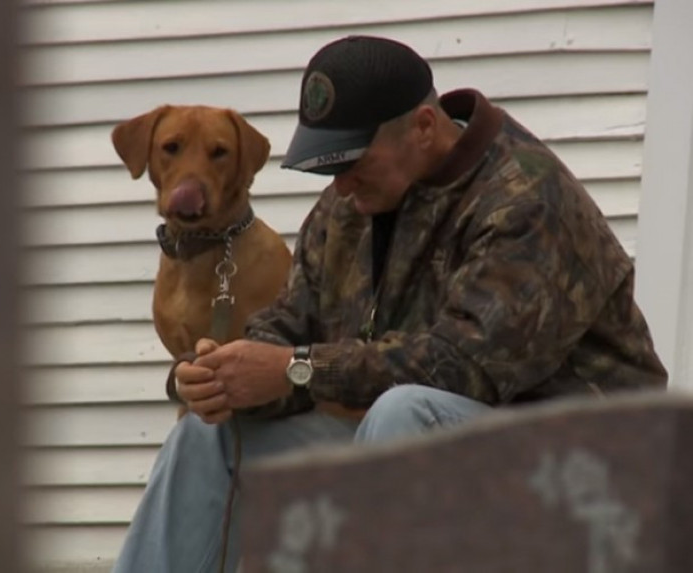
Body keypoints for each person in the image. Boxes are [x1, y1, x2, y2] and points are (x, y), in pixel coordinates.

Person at [112, 35, 667, 573]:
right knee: (206, 432)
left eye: (354, 162)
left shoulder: (526, 199)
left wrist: (295, 368)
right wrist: (216, 376)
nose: (341, 183)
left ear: (423, 128)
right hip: (433, 449)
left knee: (403, 412)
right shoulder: (350, 202)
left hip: (585, 466)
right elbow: (288, 322)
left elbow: (461, 369)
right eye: (329, 167)